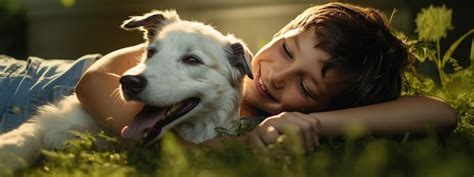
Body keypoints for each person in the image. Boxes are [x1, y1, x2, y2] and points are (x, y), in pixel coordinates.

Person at [0, 2, 457, 151]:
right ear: (278, 33)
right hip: (20, 79)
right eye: (285, 50)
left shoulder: (257, 127)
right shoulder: (207, 45)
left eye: (306, 85)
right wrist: (155, 134)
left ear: (324, 105)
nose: (278, 75)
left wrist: (314, 124)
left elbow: (438, 111)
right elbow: (95, 81)